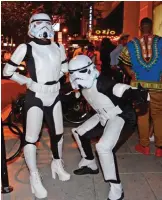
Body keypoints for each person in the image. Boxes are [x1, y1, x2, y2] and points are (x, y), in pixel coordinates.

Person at [3, 12, 70, 199]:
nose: (44, 27)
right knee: (31, 138)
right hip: (36, 96)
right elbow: (7, 71)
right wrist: (27, 81)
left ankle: (57, 163)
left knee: (58, 134)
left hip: (55, 94)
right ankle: (34, 175)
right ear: (32, 25)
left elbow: (64, 68)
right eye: (40, 23)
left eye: (47, 23)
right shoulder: (26, 48)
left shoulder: (58, 46)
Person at [68, 55, 149, 200]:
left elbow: (120, 89)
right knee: (79, 132)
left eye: (79, 72)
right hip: (103, 115)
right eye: (72, 74)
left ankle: (116, 188)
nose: (76, 78)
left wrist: (137, 94)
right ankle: (90, 163)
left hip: (121, 116)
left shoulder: (103, 83)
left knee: (103, 147)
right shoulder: (83, 85)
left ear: (90, 69)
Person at [119, 17, 162, 157]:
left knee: (142, 115)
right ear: (152, 26)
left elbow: (123, 60)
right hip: (158, 85)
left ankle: (144, 146)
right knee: (158, 115)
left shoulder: (132, 44)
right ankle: (159, 147)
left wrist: (131, 72)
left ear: (140, 27)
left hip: (139, 86)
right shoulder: (161, 42)